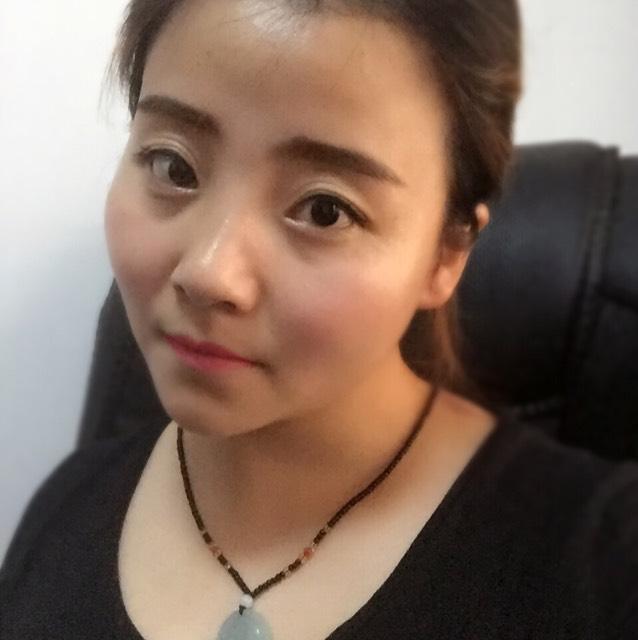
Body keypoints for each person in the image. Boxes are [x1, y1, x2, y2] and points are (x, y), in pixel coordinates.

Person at [1, 0, 637, 638]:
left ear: (446, 255)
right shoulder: (67, 508)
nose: (208, 273)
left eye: (325, 210)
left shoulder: (602, 566)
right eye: (175, 167)